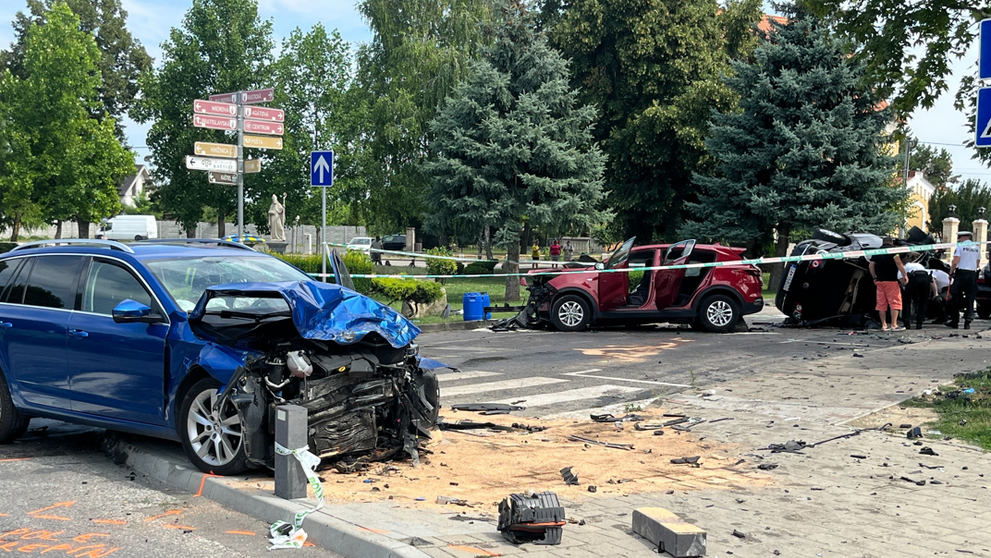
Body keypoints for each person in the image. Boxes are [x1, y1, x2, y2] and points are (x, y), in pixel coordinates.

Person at [868, 238, 908, 332]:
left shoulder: (876, 252)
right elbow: (898, 262)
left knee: (881, 303)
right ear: (891, 242)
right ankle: (894, 325)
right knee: (895, 302)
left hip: (880, 281)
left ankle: (884, 325)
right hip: (891, 280)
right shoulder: (893, 251)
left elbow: (871, 265)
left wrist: (874, 277)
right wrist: (904, 275)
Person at [948, 230, 981, 329]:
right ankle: (967, 322)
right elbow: (978, 262)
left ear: (963, 238)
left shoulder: (960, 246)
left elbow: (955, 261)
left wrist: (951, 272)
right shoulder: (976, 247)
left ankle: (955, 321)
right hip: (972, 274)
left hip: (961, 274)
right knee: (970, 298)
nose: (959, 240)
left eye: (959, 238)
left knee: (956, 297)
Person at [898, 259, 938, 329]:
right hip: (925, 279)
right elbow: (932, 279)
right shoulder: (921, 266)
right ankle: (919, 323)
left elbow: (901, 279)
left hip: (914, 278)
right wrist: (935, 293)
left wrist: (905, 289)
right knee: (923, 302)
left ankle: (906, 323)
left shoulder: (903, 267)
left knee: (907, 301)